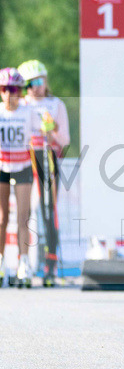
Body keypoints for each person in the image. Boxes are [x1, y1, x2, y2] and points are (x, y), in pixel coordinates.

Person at [19, 60, 70, 285]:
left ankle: (51, 263)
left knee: (48, 210)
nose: (34, 88)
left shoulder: (55, 104)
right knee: (24, 211)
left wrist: (53, 131)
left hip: (47, 157)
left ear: (45, 81)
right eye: (28, 84)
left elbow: (65, 140)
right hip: (24, 158)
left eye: (38, 82)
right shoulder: (20, 104)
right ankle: (24, 261)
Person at [0, 68, 35, 287]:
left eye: (15, 89)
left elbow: (44, 134)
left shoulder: (28, 112)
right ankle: (1, 261)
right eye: (6, 89)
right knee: (2, 218)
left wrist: (51, 130)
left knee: (23, 217)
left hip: (22, 165)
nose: (11, 94)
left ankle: (24, 263)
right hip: (2, 166)